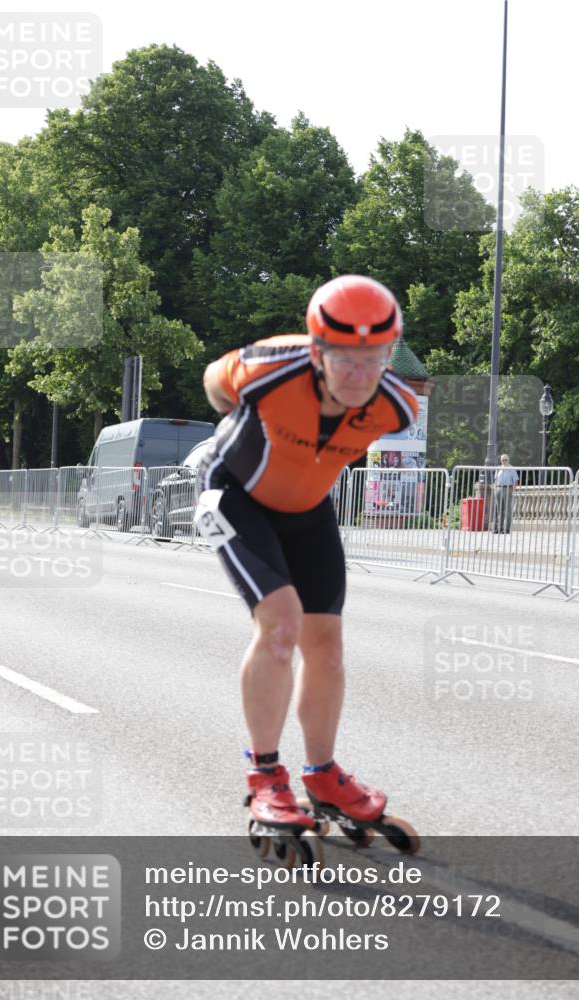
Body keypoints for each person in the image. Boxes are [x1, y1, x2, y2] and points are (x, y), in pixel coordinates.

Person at [199, 274, 419, 835]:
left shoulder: (397, 406)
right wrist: (246, 428)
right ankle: (264, 778)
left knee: (329, 647)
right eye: (345, 358)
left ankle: (321, 774)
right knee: (280, 625)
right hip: (237, 494)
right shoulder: (269, 366)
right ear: (317, 350)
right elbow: (214, 384)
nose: (359, 374)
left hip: (308, 510)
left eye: (375, 358)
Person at [492, 454, 519, 533]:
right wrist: (495, 489)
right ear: (501, 461)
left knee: (507, 510)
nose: (504, 461)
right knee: (499, 509)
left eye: (505, 460)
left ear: (508, 460)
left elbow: (515, 481)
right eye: (503, 460)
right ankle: (499, 528)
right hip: (499, 488)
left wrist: (512, 491)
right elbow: (495, 480)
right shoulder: (498, 469)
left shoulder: (511, 469)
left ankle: (506, 528)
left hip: (507, 488)